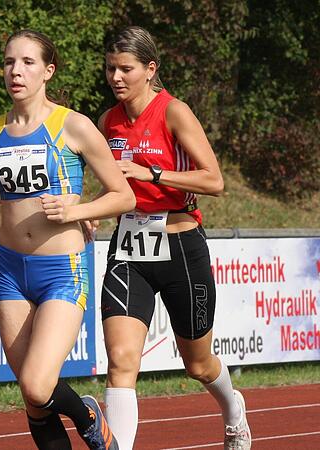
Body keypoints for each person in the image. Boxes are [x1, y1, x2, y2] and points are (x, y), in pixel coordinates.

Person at [0, 29, 135, 450]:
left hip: (61, 271)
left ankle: (89, 415)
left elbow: (123, 195)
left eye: (27, 63)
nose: (15, 71)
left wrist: (76, 211)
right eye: (8, 62)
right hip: (9, 271)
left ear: (48, 71)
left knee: (38, 384)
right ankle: (81, 418)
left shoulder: (73, 125)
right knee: (34, 401)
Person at [97, 26, 251, 450]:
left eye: (125, 69)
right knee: (121, 361)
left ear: (150, 69)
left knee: (198, 364)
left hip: (180, 244)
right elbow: (113, 184)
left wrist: (153, 173)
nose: (116, 77)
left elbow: (214, 181)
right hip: (129, 248)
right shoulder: (107, 122)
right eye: (110, 68)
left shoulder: (173, 112)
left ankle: (233, 407)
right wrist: (89, 212)